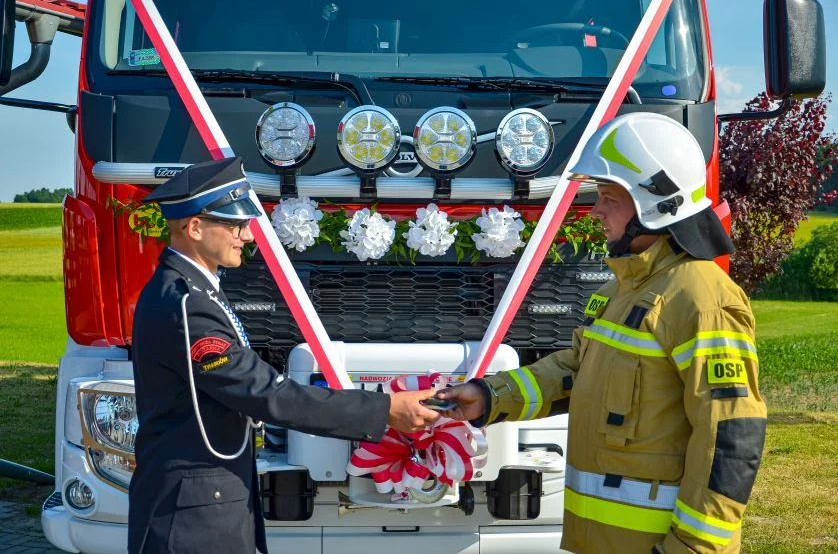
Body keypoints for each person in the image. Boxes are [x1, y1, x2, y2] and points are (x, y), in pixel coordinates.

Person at [439, 113, 767, 553]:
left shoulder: (703, 300)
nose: (595, 211)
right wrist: (490, 396)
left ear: (657, 204)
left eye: (609, 197)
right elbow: (573, 371)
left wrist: (689, 549)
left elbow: (729, 437)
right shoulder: (623, 289)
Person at [128, 157, 440, 554]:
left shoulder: (197, 290)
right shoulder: (188, 304)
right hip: (193, 514)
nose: (247, 235)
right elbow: (266, 394)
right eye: (236, 225)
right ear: (194, 228)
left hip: (207, 499)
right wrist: (383, 410)